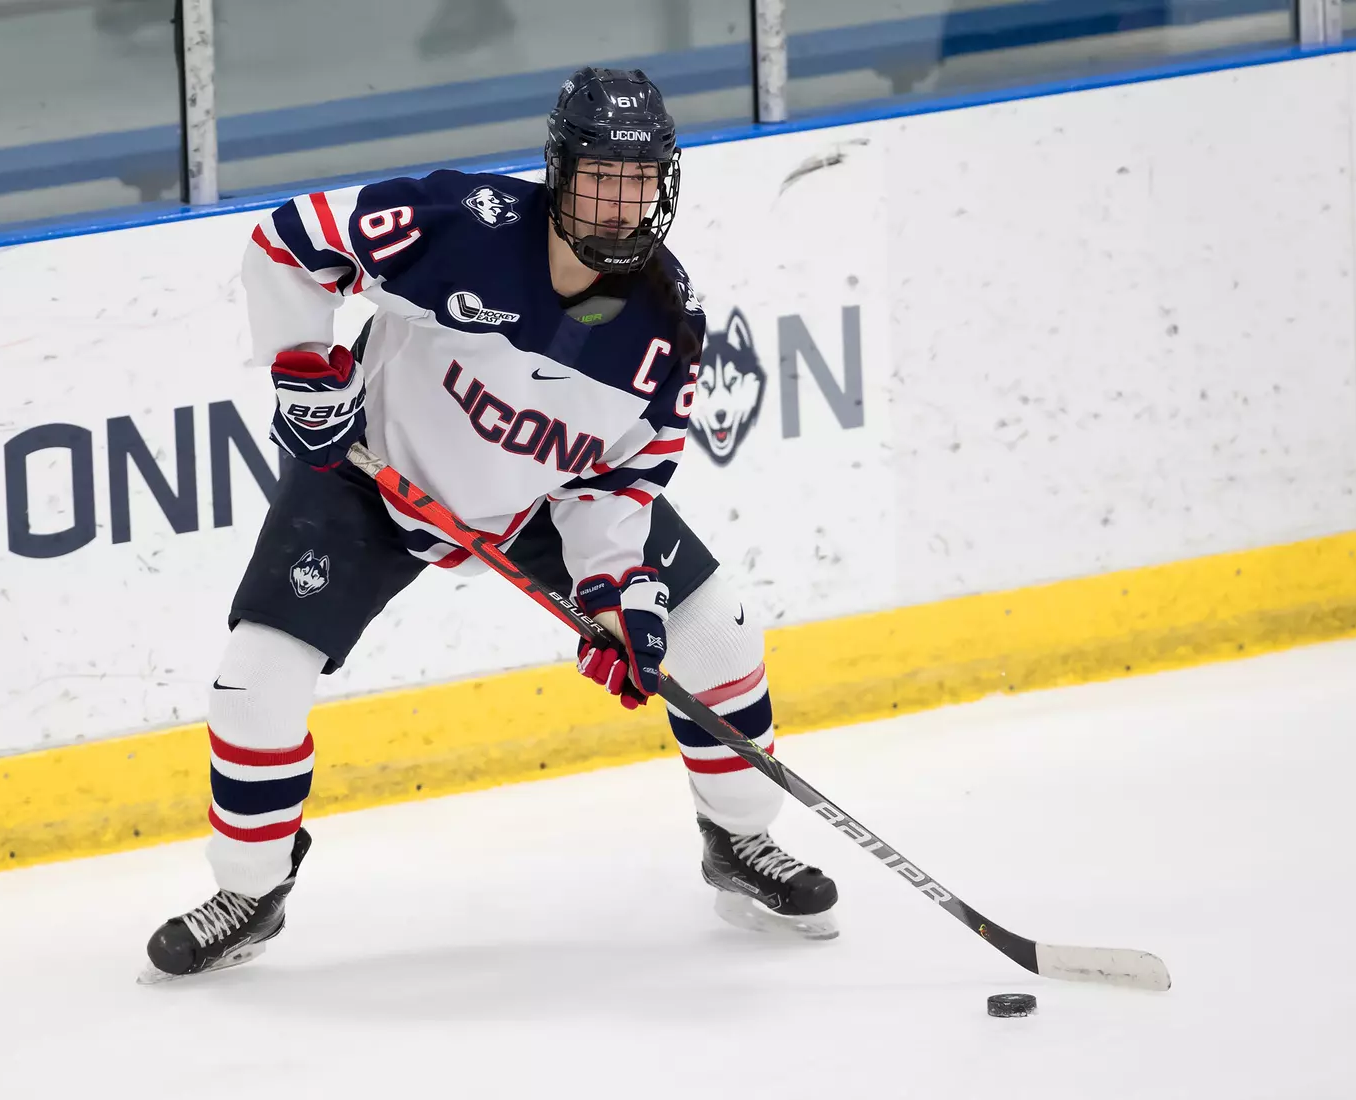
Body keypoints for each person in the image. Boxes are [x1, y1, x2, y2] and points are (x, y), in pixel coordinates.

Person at [143, 67, 840, 980]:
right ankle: (251, 887)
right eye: (599, 173)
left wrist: (615, 591)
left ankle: (739, 842)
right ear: (558, 169)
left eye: (639, 179)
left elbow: (620, 478)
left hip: (540, 500)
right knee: (255, 679)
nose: (619, 200)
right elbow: (287, 242)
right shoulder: (459, 224)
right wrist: (307, 366)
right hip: (371, 469)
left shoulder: (667, 325)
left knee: (714, 631)